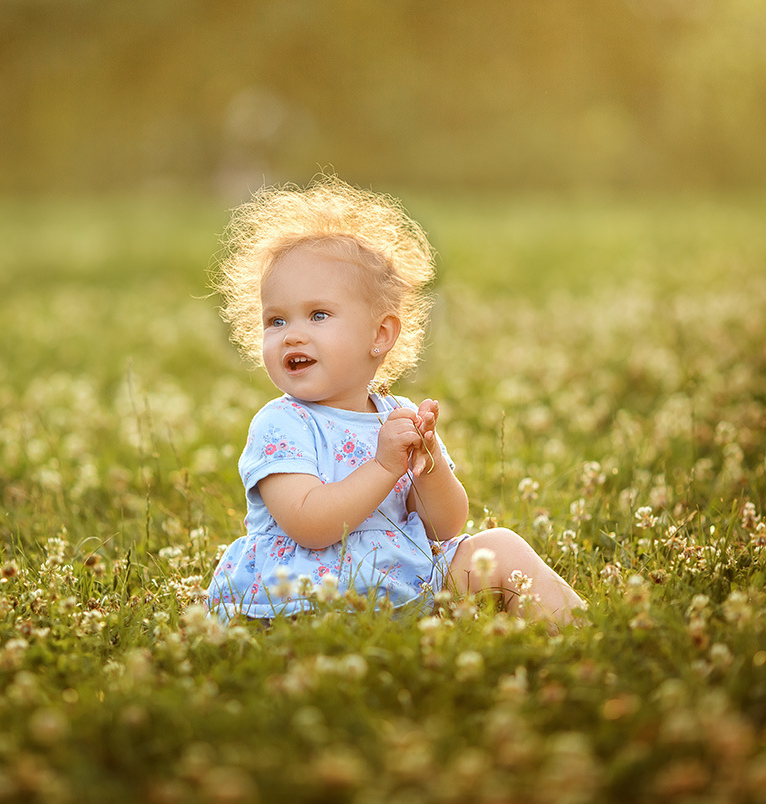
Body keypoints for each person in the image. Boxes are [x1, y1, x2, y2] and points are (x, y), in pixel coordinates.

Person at [206, 177, 584, 625]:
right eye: (276, 319)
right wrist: (384, 467)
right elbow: (311, 525)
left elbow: (444, 526)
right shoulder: (281, 425)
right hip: (310, 596)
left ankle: (585, 635)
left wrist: (429, 470)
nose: (293, 333)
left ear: (380, 335)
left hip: (410, 582)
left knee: (499, 546)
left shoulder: (393, 416)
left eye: (319, 314)